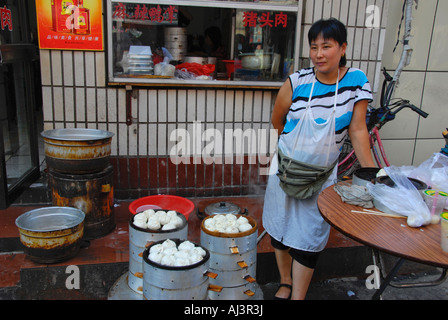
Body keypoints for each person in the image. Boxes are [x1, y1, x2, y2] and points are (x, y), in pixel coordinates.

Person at [262, 18, 376, 300]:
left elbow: (358, 129)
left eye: (327, 46)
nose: (319, 54)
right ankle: (285, 281)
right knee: (279, 230)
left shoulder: (356, 82)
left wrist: (373, 171)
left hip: (323, 175)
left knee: (309, 237)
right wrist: (293, 156)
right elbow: (278, 121)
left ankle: (298, 295)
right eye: (314, 47)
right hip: (286, 171)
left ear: (343, 48)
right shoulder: (297, 81)